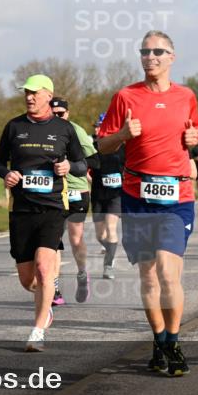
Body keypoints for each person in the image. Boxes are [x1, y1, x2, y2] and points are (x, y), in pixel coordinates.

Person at [98, 31, 198, 377]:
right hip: (137, 197)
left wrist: (197, 138)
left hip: (176, 198)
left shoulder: (186, 96)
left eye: (158, 51)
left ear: (173, 56)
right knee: (149, 277)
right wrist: (122, 135)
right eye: (145, 51)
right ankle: (159, 340)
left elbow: (196, 133)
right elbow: (103, 147)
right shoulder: (125, 96)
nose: (151, 56)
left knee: (169, 274)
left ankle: (173, 341)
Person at [0, 74, 87, 351]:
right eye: (26, 93)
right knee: (28, 279)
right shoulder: (14, 127)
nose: (29, 97)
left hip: (53, 207)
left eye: (35, 93)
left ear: (48, 94)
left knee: (46, 269)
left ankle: (37, 330)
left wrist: (68, 167)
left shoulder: (64, 129)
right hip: (21, 209)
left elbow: (82, 165)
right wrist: (7, 173)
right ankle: (45, 303)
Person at [50, 98, 97, 304]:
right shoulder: (44, 130)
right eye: (54, 113)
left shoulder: (76, 131)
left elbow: (95, 158)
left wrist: (76, 167)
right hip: (54, 192)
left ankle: (82, 273)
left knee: (75, 238)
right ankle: (55, 288)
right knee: (53, 240)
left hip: (77, 190)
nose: (57, 117)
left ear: (68, 114)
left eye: (61, 114)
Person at [90, 112, 124, 282]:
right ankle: (112, 249)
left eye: (99, 125)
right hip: (98, 193)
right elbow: (85, 166)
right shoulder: (92, 146)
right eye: (95, 126)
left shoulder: (122, 146)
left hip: (115, 194)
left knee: (111, 229)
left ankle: (108, 264)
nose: (96, 129)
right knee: (99, 236)